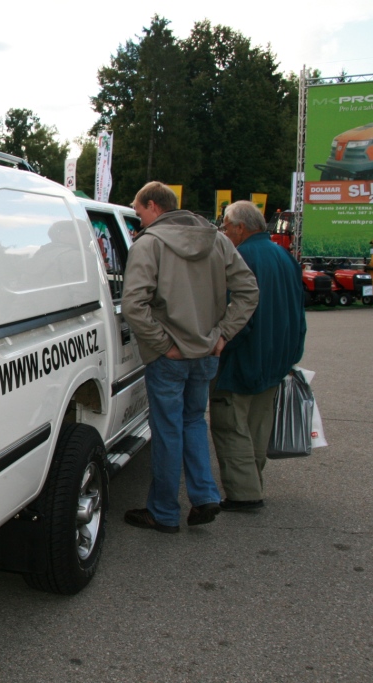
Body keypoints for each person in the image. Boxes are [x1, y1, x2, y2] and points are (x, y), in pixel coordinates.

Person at [122, 182, 259, 534]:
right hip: (206, 352)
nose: (138, 219)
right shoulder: (218, 239)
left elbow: (134, 305)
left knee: (167, 431)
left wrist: (162, 344)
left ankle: (164, 512)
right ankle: (204, 496)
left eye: (138, 211)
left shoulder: (148, 244)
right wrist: (223, 334)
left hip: (170, 356)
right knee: (194, 422)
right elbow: (248, 290)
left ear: (153, 206)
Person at [211, 201, 306, 511]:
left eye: (226, 226)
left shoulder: (241, 258)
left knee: (230, 424)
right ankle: (253, 482)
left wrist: (220, 347)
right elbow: (299, 310)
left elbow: (238, 315)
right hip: (277, 357)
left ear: (240, 228)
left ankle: (244, 494)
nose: (224, 232)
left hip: (245, 356)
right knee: (257, 425)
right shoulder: (284, 256)